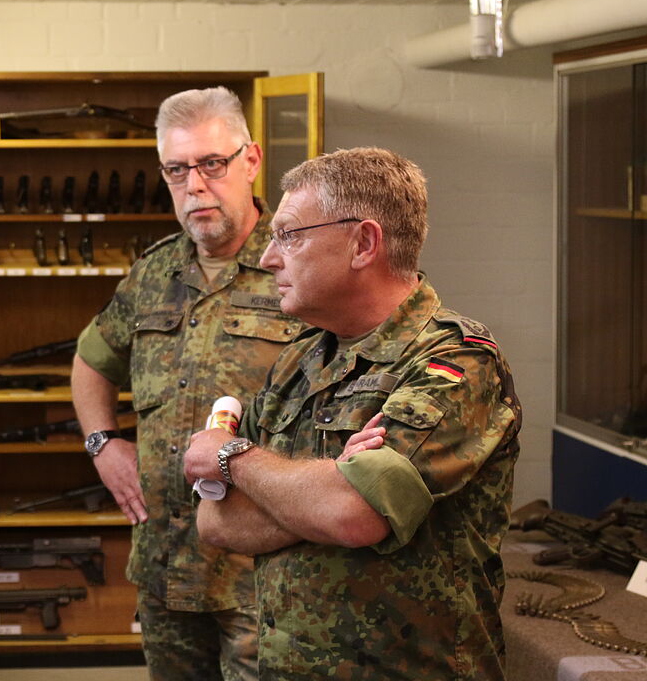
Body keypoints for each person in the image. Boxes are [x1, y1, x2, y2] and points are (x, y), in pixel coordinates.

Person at [186, 147, 521, 680]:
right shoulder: (302, 356)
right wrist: (327, 488)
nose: (270, 257)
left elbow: (352, 514)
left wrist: (232, 457)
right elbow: (216, 520)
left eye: (290, 235)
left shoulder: (456, 362)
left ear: (363, 243)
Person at [70, 87, 303, 680]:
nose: (195, 184)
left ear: (250, 161)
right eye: (177, 170)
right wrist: (103, 443)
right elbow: (92, 360)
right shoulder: (154, 272)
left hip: (268, 572)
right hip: (167, 565)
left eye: (211, 164)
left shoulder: (297, 264)